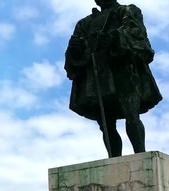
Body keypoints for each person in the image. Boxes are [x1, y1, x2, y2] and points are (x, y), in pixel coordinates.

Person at [65, 0, 162, 158]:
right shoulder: (84, 23)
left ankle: (140, 155)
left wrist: (113, 38)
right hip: (97, 76)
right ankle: (114, 158)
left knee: (131, 115)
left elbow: (136, 33)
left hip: (123, 72)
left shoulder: (127, 10)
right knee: (106, 124)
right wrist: (75, 49)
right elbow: (77, 48)